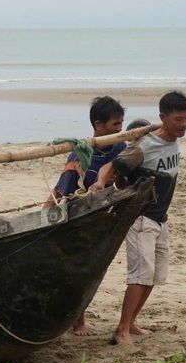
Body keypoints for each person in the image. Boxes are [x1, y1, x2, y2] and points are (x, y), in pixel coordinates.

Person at [104, 91, 186, 346]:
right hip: (141, 219)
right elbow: (115, 169)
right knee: (140, 275)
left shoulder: (174, 139)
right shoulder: (145, 146)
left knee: (154, 275)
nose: (184, 124)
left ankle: (131, 322)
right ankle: (121, 330)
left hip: (160, 218)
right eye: (178, 119)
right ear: (163, 117)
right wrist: (107, 182)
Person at [44, 96, 126, 336]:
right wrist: (45, 214)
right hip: (80, 219)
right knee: (79, 270)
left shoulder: (120, 147)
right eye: (115, 125)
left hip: (105, 218)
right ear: (99, 125)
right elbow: (62, 190)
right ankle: (78, 322)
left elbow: (123, 182)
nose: (120, 129)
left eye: (122, 123)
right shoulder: (79, 155)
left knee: (95, 269)